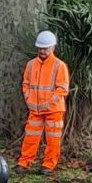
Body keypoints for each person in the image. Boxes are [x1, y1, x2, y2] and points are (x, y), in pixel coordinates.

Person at [20, 31, 70, 172]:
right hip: (34, 109)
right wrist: (28, 98)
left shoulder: (59, 66)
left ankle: (49, 165)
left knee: (53, 139)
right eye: (40, 48)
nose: (42, 51)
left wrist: (50, 102)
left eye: (45, 48)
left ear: (52, 48)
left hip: (53, 110)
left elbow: (62, 88)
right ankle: (24, 163)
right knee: (30, 137)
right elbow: (25, 84)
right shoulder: (31, 65)